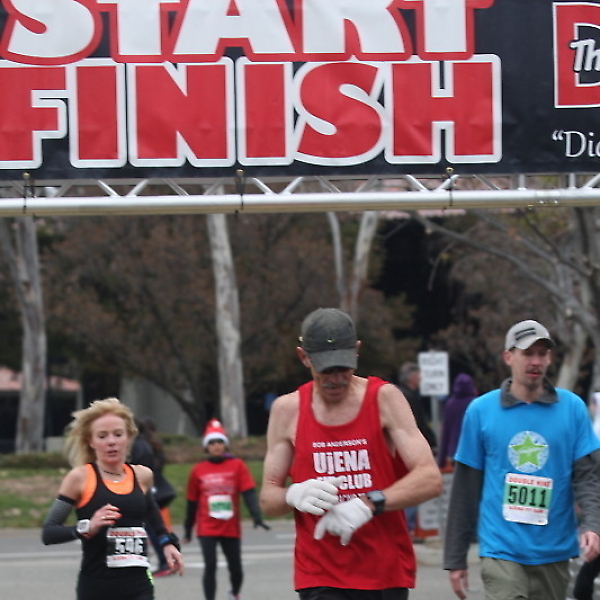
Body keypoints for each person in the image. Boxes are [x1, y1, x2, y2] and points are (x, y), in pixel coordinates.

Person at [259, 307, 442, 600]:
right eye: (325, 369)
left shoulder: (384, 399)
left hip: (383, 571)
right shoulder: (287, 410)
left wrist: (369, 504)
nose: (336, 378)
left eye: (343, 367)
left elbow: (430, 478)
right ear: (304, 357)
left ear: (357, 351)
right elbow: (268, 500)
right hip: (320, 573)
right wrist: (293, 494)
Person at [443, 319, 600, 600]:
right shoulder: (481, 411)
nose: (535, 361)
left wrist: (593, 525)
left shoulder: (573, 409)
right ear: (508, 357)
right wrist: (455, 557)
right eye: (527, 353)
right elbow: (465, 488)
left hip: (555, 549)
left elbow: (588, 477)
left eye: (542, 353)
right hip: (501, 548)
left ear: (549, 359)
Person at [41, 397, 184, 600]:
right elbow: (49, 532)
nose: (111, 442)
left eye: (118, 434)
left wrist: (167, 543)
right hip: (97, 587)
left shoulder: (142, 476)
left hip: (140, 586)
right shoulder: (80, 478)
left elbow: (152, 512)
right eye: (102, 436)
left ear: (128, 438)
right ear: (91, 441)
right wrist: (87, 527)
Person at [184, 418, 270, 600]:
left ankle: (234, 592)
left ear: (225, 445)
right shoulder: (198, 470)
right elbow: (192, 502)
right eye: (212, 443)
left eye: (220, 442)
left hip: (230, 526)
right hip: (207, 526)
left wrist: (256, 516)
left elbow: (248, 493)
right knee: (210, 565)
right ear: (206, 447)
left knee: (235, 567)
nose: (216, 446)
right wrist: (187, 529)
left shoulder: (237, 466)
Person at [131, 417, 177, 577]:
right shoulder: (147, 444)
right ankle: (165, 558)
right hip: (153, 488)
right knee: (154, 526)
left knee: (152, 527)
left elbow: (137, 469)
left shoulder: (137, 446)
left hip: (143, 490)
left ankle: (165, 560)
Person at [397, 361, 437, 538]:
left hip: (402, 449)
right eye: (419, 375)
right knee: (413, 486)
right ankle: (408, 527)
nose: (421, 379)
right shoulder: (408, 397)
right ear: (412, 377)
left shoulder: (401, 394)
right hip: (410, 449)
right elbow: (417, 424)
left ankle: (408, 527)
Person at [436, 373, 477, 469]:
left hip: (454, 451)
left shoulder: (450, 404)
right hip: (473, 450)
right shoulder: (475, 403)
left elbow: (446, 432)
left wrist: (441, 460)